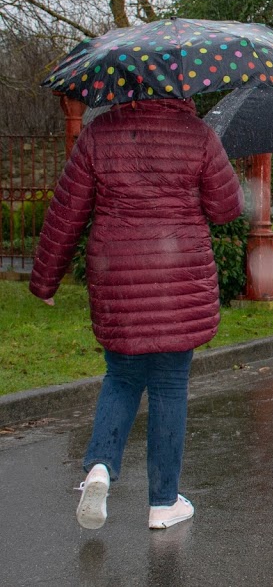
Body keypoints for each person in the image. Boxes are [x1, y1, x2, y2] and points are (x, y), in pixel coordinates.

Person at [29, 98, 244, 530]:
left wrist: (45, 280)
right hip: (178, 275)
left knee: (122, 376)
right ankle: (164, 503)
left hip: (118, 274)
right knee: (169, 386)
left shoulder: (98, 134)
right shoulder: (198, 134)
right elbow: (226, 209)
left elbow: (67, 212)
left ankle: (99, 467)